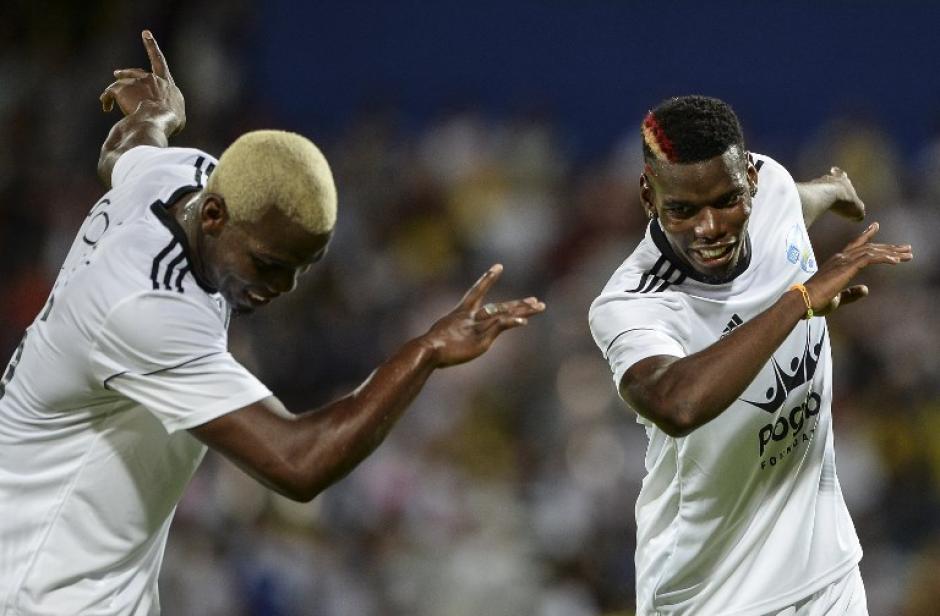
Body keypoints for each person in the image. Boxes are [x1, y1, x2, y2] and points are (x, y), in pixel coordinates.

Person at [0, 30, 545, 615]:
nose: (279, 288)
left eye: (299, 270)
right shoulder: (146, 307)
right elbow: (298, 463)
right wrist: (426, 351)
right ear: (213, 216)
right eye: (267, 264)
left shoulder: (183, 177)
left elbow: (127, 153)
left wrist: (157, 116)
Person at [588, 95, 913, 615]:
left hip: (828, 577)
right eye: (683, 209)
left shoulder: (774, 189)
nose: (711, 227)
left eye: (727, 200)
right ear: (649, 194)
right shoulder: (633, 304)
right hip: (711, 596)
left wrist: (834, 190)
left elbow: (792, 201)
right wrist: (800, 301)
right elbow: (677, 405)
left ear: (751, 182)